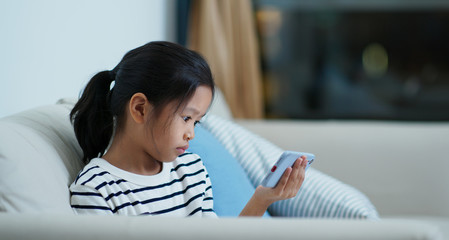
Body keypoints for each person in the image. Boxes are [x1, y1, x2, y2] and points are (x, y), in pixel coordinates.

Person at [69, 41, 308, 217]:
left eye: (196, 122)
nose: (191, 133)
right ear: (140, 108)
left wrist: (262, 199)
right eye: (185, 118)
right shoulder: (96, 189)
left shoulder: (191, 170)